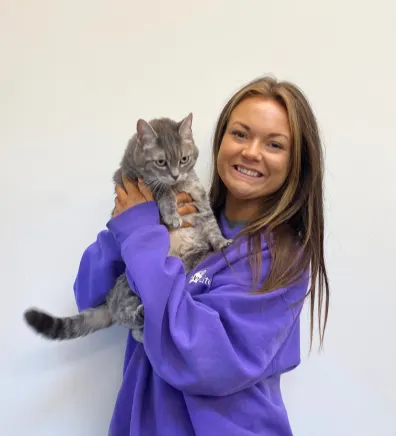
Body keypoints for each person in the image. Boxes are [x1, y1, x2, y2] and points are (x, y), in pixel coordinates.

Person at [73, 75, 330, 435]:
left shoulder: (281, 258)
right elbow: (91, 294)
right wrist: (133, 228)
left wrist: (142, 235)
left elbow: (200, 359)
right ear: (219, 140)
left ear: (295, 163)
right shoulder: (166, 219)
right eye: (240, 134)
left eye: (274, 144)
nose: (251, 151)